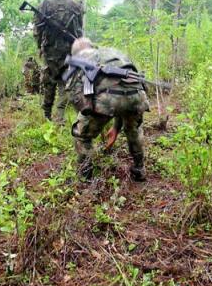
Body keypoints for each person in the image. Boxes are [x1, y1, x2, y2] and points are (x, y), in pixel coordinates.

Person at [64, 38, 150, 181]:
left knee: (81, 134)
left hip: (108, 97)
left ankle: (85, 176)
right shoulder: (113, 52)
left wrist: (86, 117)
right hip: (137, 95)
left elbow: (74, 93)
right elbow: (125, 85)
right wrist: (116, 128)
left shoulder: (79, 59)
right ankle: (139, 169)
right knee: (134, 131)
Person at [33, 0, 83, 123]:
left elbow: (37, 31)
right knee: (67, 83)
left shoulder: (44, 4)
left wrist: (40, 48)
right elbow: (80, 30)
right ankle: (62, 117)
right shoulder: (75, 4)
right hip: (71, 52)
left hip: (50, 53)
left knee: (49, 82)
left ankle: (48, 116)